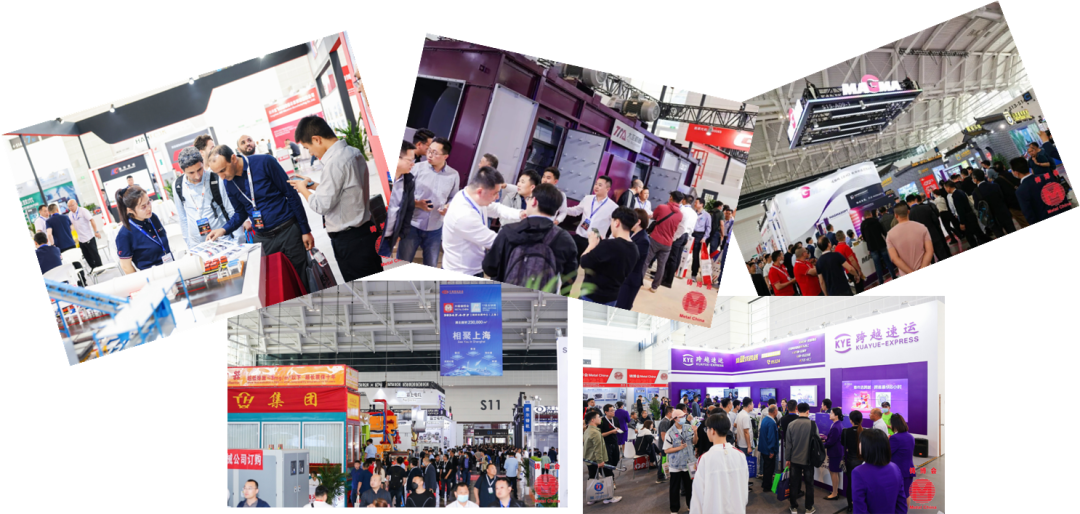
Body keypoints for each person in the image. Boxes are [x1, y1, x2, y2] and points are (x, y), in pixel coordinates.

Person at [287, 116, 383, 282]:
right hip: (365, 233)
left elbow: (321, 205)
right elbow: (345, 191)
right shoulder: (353, 152)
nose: (311, 153)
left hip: (350, 241)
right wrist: (313, 185)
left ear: (317, 139)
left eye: (308, 148)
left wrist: (303, 190)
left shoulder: (334, 163)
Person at [206, 145, 313, 280]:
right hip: (264, 238)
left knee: (301, 278)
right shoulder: (228, 182)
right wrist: (223, 229)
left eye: (223, 170)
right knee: (277, 282)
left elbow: (291, 195)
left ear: (233, 158)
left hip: (288, 231)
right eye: (217, 173)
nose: (221, 177)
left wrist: (305, 230)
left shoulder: (265, 162)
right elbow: (240, 213)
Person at [482, 183, 577, 288]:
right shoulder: (564, 239)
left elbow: (489, 268)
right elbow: (569, 279)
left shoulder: (508, 231)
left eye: (529, 198)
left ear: (534, 201)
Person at [442, 166, 520, 277]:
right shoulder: (464, 215)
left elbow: (496, 208)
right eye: (495, 193)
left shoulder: (468, 195)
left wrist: (521, 214)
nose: (497, 197)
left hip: (473, 266)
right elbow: (495, 241)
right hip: (462, 273)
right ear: (480, 191)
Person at [399, 137, 460, 266]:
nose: (430, 155)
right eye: (429, 150)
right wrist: (417, 203)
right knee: (402, 263)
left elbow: (453, 197)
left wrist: (448, 207)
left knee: (431, 265)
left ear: (445, 156)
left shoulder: (453, 175)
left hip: (435, 228)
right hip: (412, 225)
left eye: (435, 153)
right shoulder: (416, 168)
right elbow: (402, 193)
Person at [174, 146, 238, 251]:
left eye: (199, 169)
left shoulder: (216, 179)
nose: (197, 176)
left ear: (203, 162)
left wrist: (238, 241)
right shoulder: (178, 185)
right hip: (198, 245)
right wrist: (190, 246)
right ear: (183, 171)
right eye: (191, 173)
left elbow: (231, 210)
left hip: (222, 241)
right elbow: (183, 217)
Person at [688, 413, 749, 514]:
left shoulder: (705, 458)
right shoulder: (740, 455)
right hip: (737, 509)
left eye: (707, 429)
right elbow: (744, 487)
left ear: (712, 430)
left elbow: (698, 495)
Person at [579, 207, 640, 305]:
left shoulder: (608, 245)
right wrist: (601, 245)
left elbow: (584, 262)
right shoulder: (635, 250)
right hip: (612, 298)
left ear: (617, 223)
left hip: (592, 296)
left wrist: (591, 245)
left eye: (612, 221)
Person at [114, 186, 172, 275]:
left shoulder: (152, 217)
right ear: (130, 210)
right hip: (153, 276)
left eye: (148, 202)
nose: (149, 208)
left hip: (171, 268)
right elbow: (126, 266)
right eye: (143, 206)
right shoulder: (125, 234)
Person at [851, 429, 908, 514]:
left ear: (868, 447)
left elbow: (860, 509)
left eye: (861, 442)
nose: (859, 445)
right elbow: (901, 503)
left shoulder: (858, 472)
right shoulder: (895, 468)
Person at [380, 141, 418, 258]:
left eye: (413, 160)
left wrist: (401, 233)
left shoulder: (408, 181)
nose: (413, 164)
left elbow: (409, 209)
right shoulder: (382, 177)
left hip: (389, 239)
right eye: (409, 160)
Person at [643, 191, 684, 293]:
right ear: (680, 201)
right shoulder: (680, 215)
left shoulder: (662, 207)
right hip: (668, 243)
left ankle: (639, 280)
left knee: (646, 261)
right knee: (661, 265)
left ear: (671, 198)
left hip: (655, 239)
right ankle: (654, 287)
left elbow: (655, 216)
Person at [565, 176, 617, 257]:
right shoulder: (588, 198)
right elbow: (576, 211)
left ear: (607, 189)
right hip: (579, 237)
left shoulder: (613, 207)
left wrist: (608, 242)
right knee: (571, 261)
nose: (596, 187)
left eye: (600, 185)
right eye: (596, 184)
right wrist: (562, 209)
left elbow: (615, 227)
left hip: (595, 243)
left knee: (586, 264)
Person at [1011, 157, 1071, 224]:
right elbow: (1062, 197)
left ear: (1016, 173)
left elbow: (1029, 215)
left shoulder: (1020, 191)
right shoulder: (1046, 177)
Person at [615, 209, 652, 309]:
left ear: (638, 221)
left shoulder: (643, 240)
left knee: (622, 306)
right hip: (624, 276)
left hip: (630, 279)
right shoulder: (632, 233)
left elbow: (632, 259)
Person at [784, 403, 816, 514]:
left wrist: (787, 459)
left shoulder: (791, 425)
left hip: (794, 460)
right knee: (809, 484)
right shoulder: (813, 425)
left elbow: (788, 444)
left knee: (794, 484)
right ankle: (809, 508)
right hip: (808, 460)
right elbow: (816, 442)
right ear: (808, 411)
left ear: (797, 410)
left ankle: (793, 507)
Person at [885, 203, 933, 278]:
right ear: (908, 212)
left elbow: (894, 258)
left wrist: (911, 272)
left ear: (896, 215)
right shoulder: (922, 227)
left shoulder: (890, 235)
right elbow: (929, 251)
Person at [662, 193, 698, 287]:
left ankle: (667, 280)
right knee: (677, 257)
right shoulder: (694, 213)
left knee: (671, 258)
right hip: (686, 236)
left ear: (683, 200)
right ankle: (668, 277)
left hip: (679, 234)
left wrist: (674, 237)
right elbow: (692, 227)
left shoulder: (682, 210)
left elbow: (679, 225)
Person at [663, 409, 695, 514]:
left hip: (689, 462)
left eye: (684, 416)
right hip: (675, 465)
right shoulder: (670, 432)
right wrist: (679, 448)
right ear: (675, 419)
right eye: (681, 417)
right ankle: (674, 509)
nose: (684, 418)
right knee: (674, 488)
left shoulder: (688, 427)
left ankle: (691, 506)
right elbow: (666, 450)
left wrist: (696, 432)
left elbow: (694, 442)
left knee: (690, 487)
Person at [904, 194, 950, 263]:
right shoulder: (926, 207)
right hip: (934, 235)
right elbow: (936, 220)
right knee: (942, 255)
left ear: (908, 203)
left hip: (924, 240)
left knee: (930, 259)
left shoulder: (910, 216)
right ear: (916, 200)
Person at [971, 169, 1015, 237]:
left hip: (991, 218)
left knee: (999, 235)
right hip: (1004, 214)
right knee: (1012, 230)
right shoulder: (995, 185)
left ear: (975, 179)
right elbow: (1002, 197)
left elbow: (977, 207)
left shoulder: (976, 193)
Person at [943, 180, 986, 248]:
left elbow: (960, 209)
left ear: (948, 187)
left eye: (945, 188)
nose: (945, 190)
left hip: (967, 218)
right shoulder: (960, 191)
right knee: (978, 233)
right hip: (970, 215)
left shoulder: (955, 195)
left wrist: (962, 222)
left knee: (971, 236)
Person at [66, 199, 103, 270]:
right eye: (69, 206)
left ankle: (100, 268)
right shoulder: (70, 214)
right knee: (86, 255)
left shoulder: (83, 211)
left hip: (89, 236)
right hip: (81, 239)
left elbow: (92, 220)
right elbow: (71, 225)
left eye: (72, 205)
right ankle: (93, 268)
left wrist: (96, 231)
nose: (70, 208)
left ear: (76, 204)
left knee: (94, 254)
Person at [841, 411, 865, 512]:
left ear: (850, 420)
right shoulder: (865, 432)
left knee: (850, 484)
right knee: (862, 485)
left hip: (850, 461)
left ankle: (850, 506)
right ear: (861, 420)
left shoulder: (846, 431)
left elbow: (843, 444)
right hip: (863, 463)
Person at [824, 408, 845, 501]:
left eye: (832, 413)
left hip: (835, 452)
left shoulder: (836, 426)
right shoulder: (837, 424)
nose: (830, 414)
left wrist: (822, 445)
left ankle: (834, 493)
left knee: (834, 472)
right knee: (834, 472)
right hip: (836, 452)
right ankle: (835, 491)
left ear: (836, 415)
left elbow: (831, 442)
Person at [758, 405, 779, 493]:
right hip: (768, 450)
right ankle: (767, 486)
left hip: (763, 448)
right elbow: (771, 438)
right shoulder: (771, 422)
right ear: (775, 412)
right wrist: (771, 451)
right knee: (769, 468)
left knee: (766, 467)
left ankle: (765, 484)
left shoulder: (765, 419)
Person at [689, 197, 712, 280]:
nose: (694, 204)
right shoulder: (693, 213)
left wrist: (704, 238)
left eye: (696, 203)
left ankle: (694, 274)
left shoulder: (707, 215)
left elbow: (708, 228)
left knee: (695, 255)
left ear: (701, 204)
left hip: (699, 236)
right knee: (685, 252)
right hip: (691, 234)